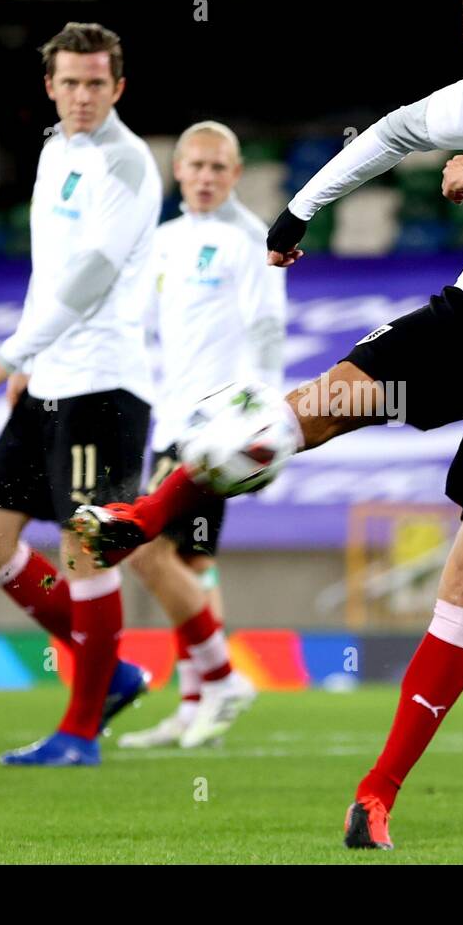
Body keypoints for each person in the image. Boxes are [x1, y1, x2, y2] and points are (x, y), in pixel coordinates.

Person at [71, 0, 463, 845]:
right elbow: (395, 131)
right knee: (324, 402)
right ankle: (144, 514)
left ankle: (376, 791)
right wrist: (302, 211)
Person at [0, 22, 162, 766]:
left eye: (96, 83)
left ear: (118, 88)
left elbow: (91, 277)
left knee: (86, 551)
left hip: (104, 385)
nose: (82, 96)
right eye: (70, 82)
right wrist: (26, 366)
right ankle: (114, 672)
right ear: (50, 86)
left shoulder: (130, 165)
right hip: (47, 382)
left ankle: (80, 732)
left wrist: (11, 349)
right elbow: (50, 271)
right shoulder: (54, 150)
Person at [119, 121, 286, 750]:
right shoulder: (163, 243)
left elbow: (268, 330)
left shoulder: (253, 241)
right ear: (179, 172)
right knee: (189, 562)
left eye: (220, 167)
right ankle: (199, 705)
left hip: (216, 429)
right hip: (169, 421)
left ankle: (219, 680)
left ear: (237, 173)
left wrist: (260, 422)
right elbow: (145, 333)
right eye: (197, 166)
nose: (208, 177)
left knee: (141, 545)